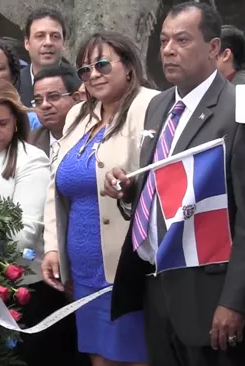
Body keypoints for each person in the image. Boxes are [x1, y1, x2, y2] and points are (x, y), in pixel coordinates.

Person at [107, 3, 245, 366]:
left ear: (214, 48)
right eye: (164, 40)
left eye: (182, 40)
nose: (168, 50)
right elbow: (165, 188)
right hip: (156, 288)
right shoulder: (159, 106)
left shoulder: (239, 108)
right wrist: (130, 192)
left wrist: (234, 301)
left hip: (210, 295)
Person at [42, 31, 159, 366]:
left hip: (129, 269)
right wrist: (52, 246)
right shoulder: (79, 115)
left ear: (129, 67)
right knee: (99, 359)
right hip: (84, 270)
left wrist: (130, 187)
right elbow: (55, 187)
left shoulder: (151, 106)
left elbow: (158, 179)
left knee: (136, 357)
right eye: (85, 70)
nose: (93, 74)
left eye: (103, 64)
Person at [0, 78, 78, 366]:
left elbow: (24, 232)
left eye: (3, 123)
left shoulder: (32, 159)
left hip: (25, 291)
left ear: (17, 122)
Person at [29, 63, 83, 157]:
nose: (44, 105)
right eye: (38, 101)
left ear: (76, 99)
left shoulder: (94, 134)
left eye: (53, 96)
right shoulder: (29, 142)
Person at [19, 7, 68, 108]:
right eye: (40, 36)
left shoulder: (81, 84)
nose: (48, 43)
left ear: (64, 43)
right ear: (27, 43)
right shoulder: (12, 85)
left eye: (55, 36)